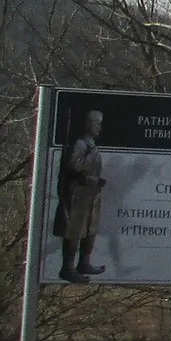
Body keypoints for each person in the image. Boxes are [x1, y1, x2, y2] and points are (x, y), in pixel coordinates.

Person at [56, 110, 107, 283]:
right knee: (74, 231)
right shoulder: (81, 144)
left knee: (90, 230)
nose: (99, 127)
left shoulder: (91, 144)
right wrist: (90, 175)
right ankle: (68, 268)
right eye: (97, 123)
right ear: (88, 124)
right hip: (78, 195)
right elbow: (73, 166)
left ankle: (84, 263)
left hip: (91, 195)